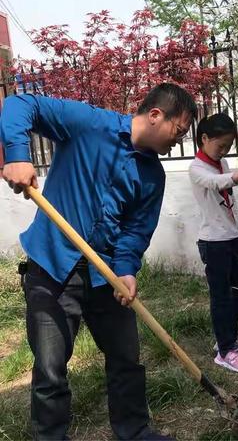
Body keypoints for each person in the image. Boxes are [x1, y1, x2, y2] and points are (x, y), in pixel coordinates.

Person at [0, 83, 197, 441]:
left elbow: (135, 231)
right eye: (178, 130)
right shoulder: (89, 124)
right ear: (155, 115)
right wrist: (17, 154)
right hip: (52, 267)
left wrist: (126, 269)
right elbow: (19, 104)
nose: (179, 140)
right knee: (50, 367)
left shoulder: (153, 176)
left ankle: (134, 430)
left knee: (126, 359)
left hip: (105, 275)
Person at [189, 113, 238, 373]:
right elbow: (216, 183)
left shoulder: (221, 164)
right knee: (221, 298)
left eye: (228, 147)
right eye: (220, 146)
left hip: (231, 239)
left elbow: (230, 204)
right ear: (204, 139)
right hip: (214, 243)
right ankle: (226, 351)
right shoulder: (197, 169)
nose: (224, 151)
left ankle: (226, 338)